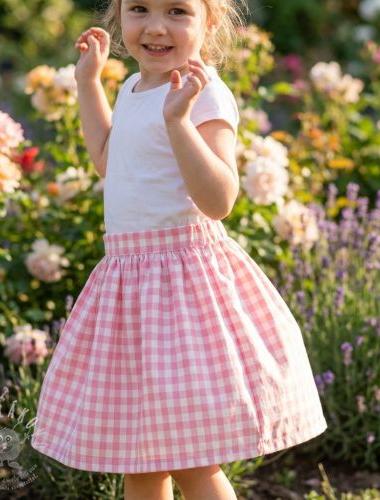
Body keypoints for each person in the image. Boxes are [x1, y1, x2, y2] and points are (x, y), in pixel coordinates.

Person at [30, 1, 328, 499]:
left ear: (211, 21)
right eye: (139, 9)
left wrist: (178, 121)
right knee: (140, 462)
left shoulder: (202, 92)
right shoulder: (132, 86)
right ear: (118, 14)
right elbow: (107, 159)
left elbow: (219, 200)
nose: (155, 27)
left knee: (192, 463)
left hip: (181, 296)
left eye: (176, 11)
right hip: (131, 294)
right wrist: (88, 83)